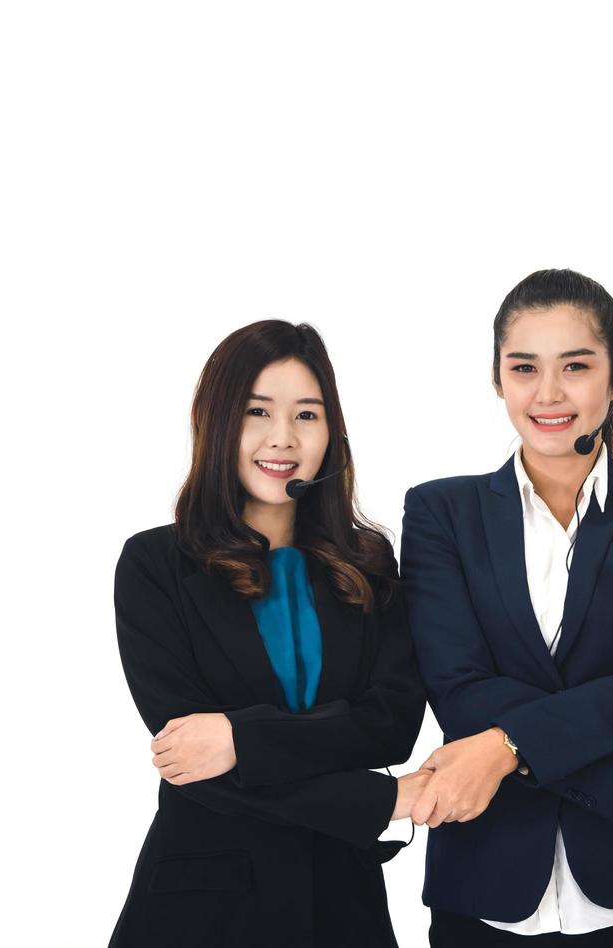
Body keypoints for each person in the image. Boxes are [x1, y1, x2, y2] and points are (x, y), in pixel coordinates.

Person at [400, 269, 613, 946]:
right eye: (525, 368)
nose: (549, 393)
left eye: (575, 366)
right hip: (483, 887)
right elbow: (457, 690)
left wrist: (506, 744)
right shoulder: (441, 512)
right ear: (498, 379)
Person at [109, 320, 428, 948]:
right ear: (217, 421)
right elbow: (191, 762)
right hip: (201, 906)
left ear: (331, 431)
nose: (283, 438)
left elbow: (390, 723)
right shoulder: (154, 566)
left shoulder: (368, 564)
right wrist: (379, 800)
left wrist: (237, 736)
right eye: (258, 411)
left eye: (306, 415)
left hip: (343, 900)